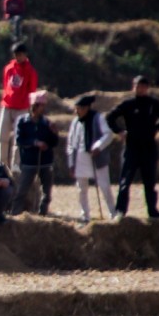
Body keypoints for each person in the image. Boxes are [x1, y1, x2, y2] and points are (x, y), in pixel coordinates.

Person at [106, 75, 159, 219]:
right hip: (131, 147)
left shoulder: (153, 103)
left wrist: (158, 127)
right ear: (133, 87)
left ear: (147, 88)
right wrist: (119, 131)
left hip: (148, 147)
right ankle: (120, 211)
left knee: (150, 181)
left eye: (142, 87)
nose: (140, 89)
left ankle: (153, 211)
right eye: (137, 86)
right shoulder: (128, 104)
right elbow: (110, 117)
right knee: (125, 181)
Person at [66, 94, 117, 223]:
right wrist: (71, 163)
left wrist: (98, 146)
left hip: (96, 158)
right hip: (80, 159)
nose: (76, 111)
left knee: (105, 187)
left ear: (86, 108)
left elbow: (108, 134)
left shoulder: (98, 118)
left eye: (79, 108)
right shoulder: (75, 122)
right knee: (81, 189)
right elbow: (71, 143)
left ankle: (113, 213)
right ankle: (85, 215)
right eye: (76, 108)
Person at [10, 91, 57, 217]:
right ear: (34, 106)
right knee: (22, 191)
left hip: (45, 162)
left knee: (46, 193)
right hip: (29, 162)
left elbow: (54, 143)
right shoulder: (22, 121)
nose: (43, 108)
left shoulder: (47, 123)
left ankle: (42, 214)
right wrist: (35, 143)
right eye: (41, 106)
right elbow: (19, 140)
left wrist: (54, 133)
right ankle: (15, 214)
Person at [0, 42, 38, 168]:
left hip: (22, 108)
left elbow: (32, 91)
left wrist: (30, 108)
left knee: (18, 138)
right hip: (7, 106)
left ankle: (15, 165)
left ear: (25, 55)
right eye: (16, 55)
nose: (18, 57)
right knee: (2, 136)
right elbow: (6, 85)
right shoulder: (8, 68)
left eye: (20, 54)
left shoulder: (30, 71)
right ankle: (2, 165)